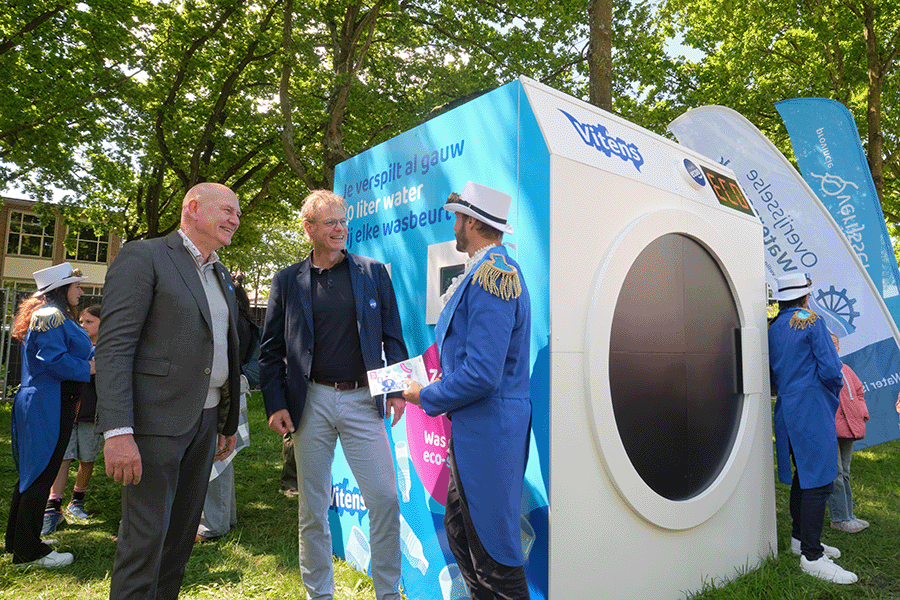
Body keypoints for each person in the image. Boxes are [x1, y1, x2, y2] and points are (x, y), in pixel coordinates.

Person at [95, 182, 242, 600]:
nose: (235, 219)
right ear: (193, 208)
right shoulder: (145, 256)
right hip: (153, 423)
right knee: (145, 543)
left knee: (179, 541)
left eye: (238, 213)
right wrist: (118, 431)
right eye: (228, 210)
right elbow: (114, 348)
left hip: (206, 421)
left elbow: (223, 347)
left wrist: (226, 422)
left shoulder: (220, 272)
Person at [259, 189, 408, 600]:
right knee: (313, 509)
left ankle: (388, 594)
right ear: (309, 228)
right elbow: (270, 351)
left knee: (384, 499)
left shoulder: (372, 272)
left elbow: (394, 336)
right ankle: (319, 594)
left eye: (343, 221)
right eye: (331, 222)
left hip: (364, 400)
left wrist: (394, 388)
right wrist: (276, 404)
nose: (341, 228)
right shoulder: (287, 281)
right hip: (312, 403)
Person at [404, 181, 531, 599]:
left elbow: (483, 374)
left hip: (489, 432)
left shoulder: (495, 274)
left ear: (473, 221)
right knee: (462, 534)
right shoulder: (483, 271)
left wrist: (427, 396)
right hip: (477, 430)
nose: (454, 226)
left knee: (494, 551)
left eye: (458, 217)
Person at [768, 273, 857, 584]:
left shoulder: (774, 326)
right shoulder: (811, 320)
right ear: (806, 297)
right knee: (819, 480)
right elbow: (832, 369)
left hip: (786, 408)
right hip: (811, 407)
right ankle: (812, 556)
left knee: (802, 476)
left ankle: (799, 541)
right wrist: (830, 394)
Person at [5, 263, 93, 568]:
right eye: (76, 285)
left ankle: (19, 541)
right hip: (48, 402)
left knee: (34, 473)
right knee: (40, 474)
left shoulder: (54, 315)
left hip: (50, 401)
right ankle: (28, 553)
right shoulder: (49, 315)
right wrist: (91, 369)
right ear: (61, 289)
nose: (81, 291)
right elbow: (53, 360)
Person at [196, 276, 257, 542]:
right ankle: (224, 516)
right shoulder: (247, 323)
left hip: (221, 392)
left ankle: (213, 524)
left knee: (216, 455)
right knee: (222, 455)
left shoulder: (230, 323)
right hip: (233, 389)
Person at [42, 304, 103, 535]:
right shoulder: (73, 347)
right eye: (81, 322)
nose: (83, 326)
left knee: (87, 458)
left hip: (91, 415)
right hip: (67, 411)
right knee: (63, 458)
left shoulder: (107, 350)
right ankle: (53, 505)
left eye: (89, 322)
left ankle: (77, 500)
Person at [827, 332, 869, 534]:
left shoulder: (846, 369)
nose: (832, 347)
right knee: (835, 473)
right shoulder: (821, 368)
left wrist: (861, 413)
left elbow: (859, 392)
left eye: (835, 344)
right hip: (829, 428)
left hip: (849, 427)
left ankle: (848, 514)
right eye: (829, 343)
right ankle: (839, 518)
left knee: (845, 472)